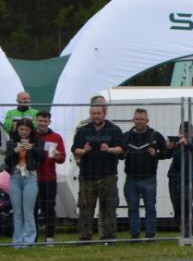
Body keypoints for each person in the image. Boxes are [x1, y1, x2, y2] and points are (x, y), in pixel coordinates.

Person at [72, 103, 124, 242]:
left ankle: (108, 237)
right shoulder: (83, 130)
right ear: (90, 114)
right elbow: (75, 150)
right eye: (93, 113)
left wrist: (110, 149)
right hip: (87, 176)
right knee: (85, 208)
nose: (96, 116)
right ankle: (84, 237)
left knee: (108, 207)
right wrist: (84, 150)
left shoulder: (114, 129)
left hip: (108, 175)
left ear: (104, 114)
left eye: (98, 113)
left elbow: (122, 148)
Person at [123, 108, 167, 240]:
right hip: (131, 179)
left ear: (147, 120)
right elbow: (119, 155)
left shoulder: (155, 135)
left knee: (150, 208)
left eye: (142, 119)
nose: (139, 121)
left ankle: (150, 235)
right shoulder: (126, 136)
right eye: (137, 119)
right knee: (132, 208)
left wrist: (157, 154)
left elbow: (167, 152)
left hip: (149, 179)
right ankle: (135, 236)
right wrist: (122, 154)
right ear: (133, 120)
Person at [5, 118, 42, 248]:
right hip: (15, 177)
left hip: (30, 177)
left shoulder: (37, 141)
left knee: (28, 211)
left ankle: (29, 241)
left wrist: (33, 149)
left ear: (31, 130)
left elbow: (42, 157)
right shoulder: (11, 142)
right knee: (17, 212)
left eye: (27, 129)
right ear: (17, 130)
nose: (24, 132)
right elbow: (7, 161)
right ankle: (17, 241)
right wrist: (15, 151)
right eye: (21, 129)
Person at [164, 121, 193, 236]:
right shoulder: (176, 144)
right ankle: (184, 228)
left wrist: (186, 144)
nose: (185, 134)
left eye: (187, 131)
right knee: (177, 206)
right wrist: (168, 147)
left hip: (191, 179)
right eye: (183, 132)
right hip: (174, 179)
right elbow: (165, 155)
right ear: (179, 132)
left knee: (186, 202)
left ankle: (190, 231)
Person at [33, 110, 65, 243]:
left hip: (49, 178)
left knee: (49, 208)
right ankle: (32, 238)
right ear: (36, 120)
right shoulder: (31, 135)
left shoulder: (56, 137)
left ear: (49, 122)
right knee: (32, 208)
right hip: (31, 179)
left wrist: (58, 157)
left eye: (45, 121)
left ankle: (49, 237)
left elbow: (62, 158)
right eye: (40, 120)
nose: (42, 123)